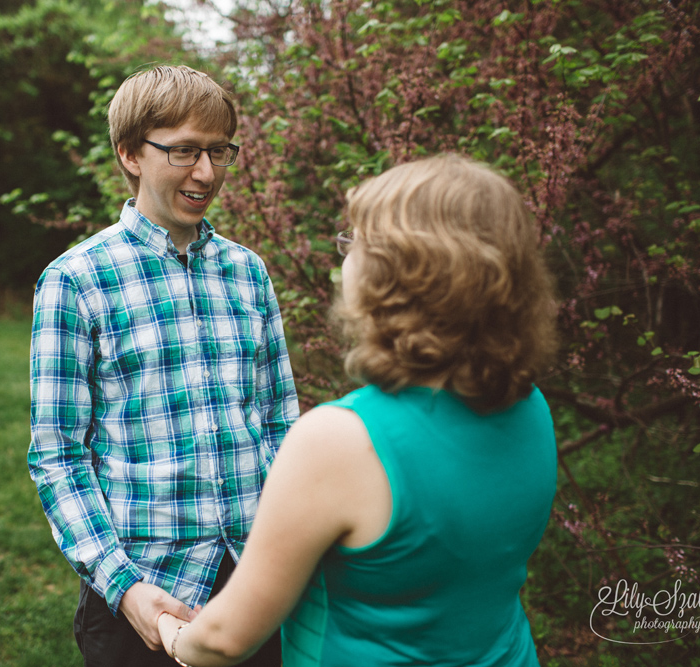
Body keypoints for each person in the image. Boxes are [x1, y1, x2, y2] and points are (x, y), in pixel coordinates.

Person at [156, 154, 560, 666]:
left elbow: (223, 639)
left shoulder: (341, 440)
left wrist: (170, 631)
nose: (345, 256)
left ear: (398, 274)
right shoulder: (530, 408)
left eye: (355, 242)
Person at [28, 64, 299, 667]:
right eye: (183, 151)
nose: (206, 173)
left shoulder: (248, 272)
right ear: (130, 153)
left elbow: (280, 423)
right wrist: (124, 589)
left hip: (255, 584)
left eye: (219, 151)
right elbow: (58, 457)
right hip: (144, 591)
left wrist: (287, 553)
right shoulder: (76, 280)